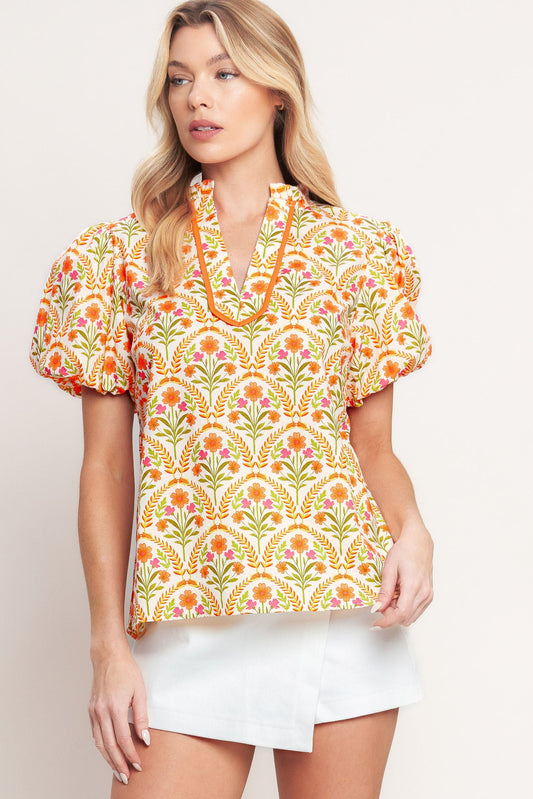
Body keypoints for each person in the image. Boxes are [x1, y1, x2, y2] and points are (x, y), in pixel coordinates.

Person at [29, 1, 434, 796]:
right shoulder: (117, 257)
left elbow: (372, 450)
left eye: (223, 73)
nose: (197, 98)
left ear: (278, 91)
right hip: (187, 615)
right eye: (179, 79)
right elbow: (105, 468)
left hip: (342, 610)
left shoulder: (356, 252)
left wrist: (413, 531)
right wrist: (108, 645)